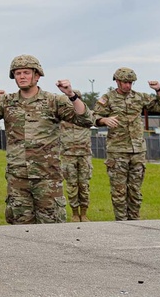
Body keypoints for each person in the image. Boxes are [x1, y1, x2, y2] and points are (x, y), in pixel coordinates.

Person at [0, 55, 92, 225]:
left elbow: (85, 120)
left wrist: (71, 95)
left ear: (37, 76)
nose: (21, 76)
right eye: (18, 73)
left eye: (26, 72)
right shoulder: (7, 102)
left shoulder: (53, 101)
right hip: (18, 178)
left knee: (52, 229)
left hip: (47, 178)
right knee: (21, 230)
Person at [93, 67, 160, 221]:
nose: (128, 85)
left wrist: (158, 90)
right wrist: (104, 120)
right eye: (125, 82)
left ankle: (135, 220)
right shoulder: (108, 98)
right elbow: (94, 116)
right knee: (119, 190)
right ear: (117, 81)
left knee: (135, 189)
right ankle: (121, 222)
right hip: (117, 150)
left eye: (130, 83)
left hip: (137, 151)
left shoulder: (139, 97)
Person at [60, 91, 93, 222]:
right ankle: (74, 213)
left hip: (84, 155)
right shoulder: (63, 116)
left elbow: (96, 120)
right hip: (68, 156)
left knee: (84, 185)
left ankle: (84, 213)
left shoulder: (87, 115)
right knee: (72, 185)